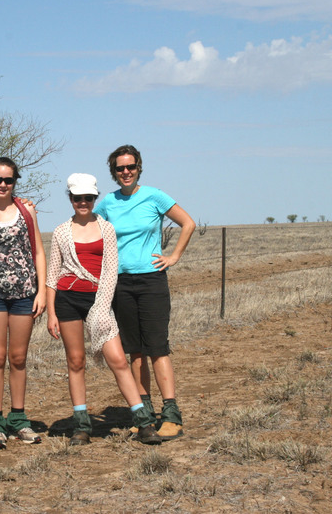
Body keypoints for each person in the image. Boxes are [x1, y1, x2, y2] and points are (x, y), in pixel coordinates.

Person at [45, 173, 162, 446]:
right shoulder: (61, 231)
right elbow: (52, 275)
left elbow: (110, 271)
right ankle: (82, 426)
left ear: (95, 199)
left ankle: (144, 423)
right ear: (71, 199)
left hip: (99, 300)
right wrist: (51, 312)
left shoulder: (106, 228)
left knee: (118, 360)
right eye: (77, 198)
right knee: (76, 362)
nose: (83, 202)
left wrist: (100, 306)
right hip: (67, 300)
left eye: (88, 198)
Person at [94, 145, 196, 441]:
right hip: (120, 284)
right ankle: (144, 414)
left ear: (139, 167)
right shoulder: (108, 204)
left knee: (157, 348)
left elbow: (187, 223)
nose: (126, 172)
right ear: (113, 172)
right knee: (134, 351)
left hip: (152, 281)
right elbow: (88, 223)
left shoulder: (154, 196)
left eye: (131, 167)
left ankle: (172, 414)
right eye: (119, 168)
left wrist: (173, 257)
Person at [0, 157, 47, 449]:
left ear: (15, 181)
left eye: (8, 180)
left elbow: (38, 251)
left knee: (18, 358)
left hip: (24, 294)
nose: (3, 184)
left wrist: (41, 292)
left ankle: (19, 420)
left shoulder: (27, 211)